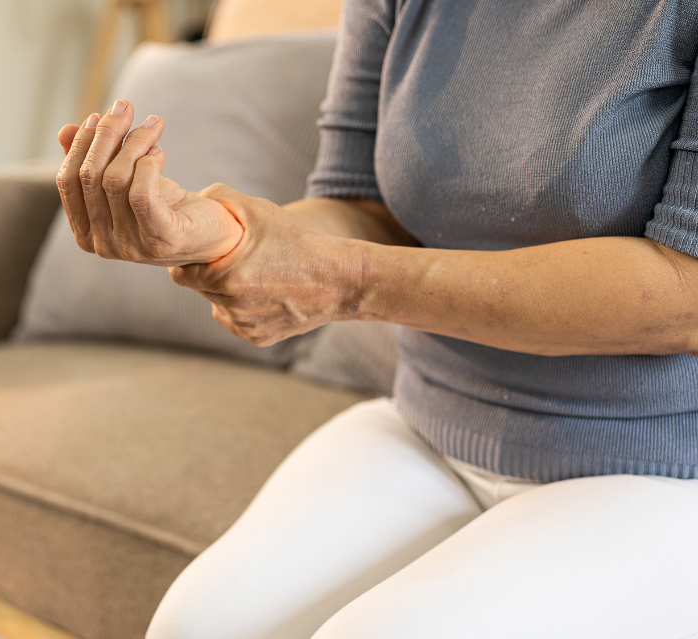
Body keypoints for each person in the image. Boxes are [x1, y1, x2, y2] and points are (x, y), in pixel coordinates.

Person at [54, 0, 698, 636]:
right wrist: (231, 237)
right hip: (430, 421)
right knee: (197, 627)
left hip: (660, 465)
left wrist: (349, 282)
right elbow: (360, 205)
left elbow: (686, 292)